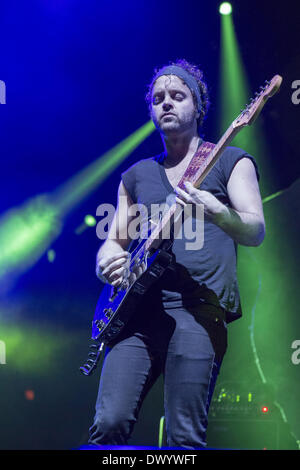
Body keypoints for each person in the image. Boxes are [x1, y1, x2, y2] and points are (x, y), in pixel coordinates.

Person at [87, 59, 265, 449]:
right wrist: (106, 263)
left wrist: (213, 208)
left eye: (177, 96)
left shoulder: (230, 160)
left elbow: (255, 230)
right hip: (136, 315)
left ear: (198, 106)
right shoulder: (135, 175)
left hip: (199, 312)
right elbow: (114, 242)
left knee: (183, 437)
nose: (166, 103)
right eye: (158, 98)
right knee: (108, 425)